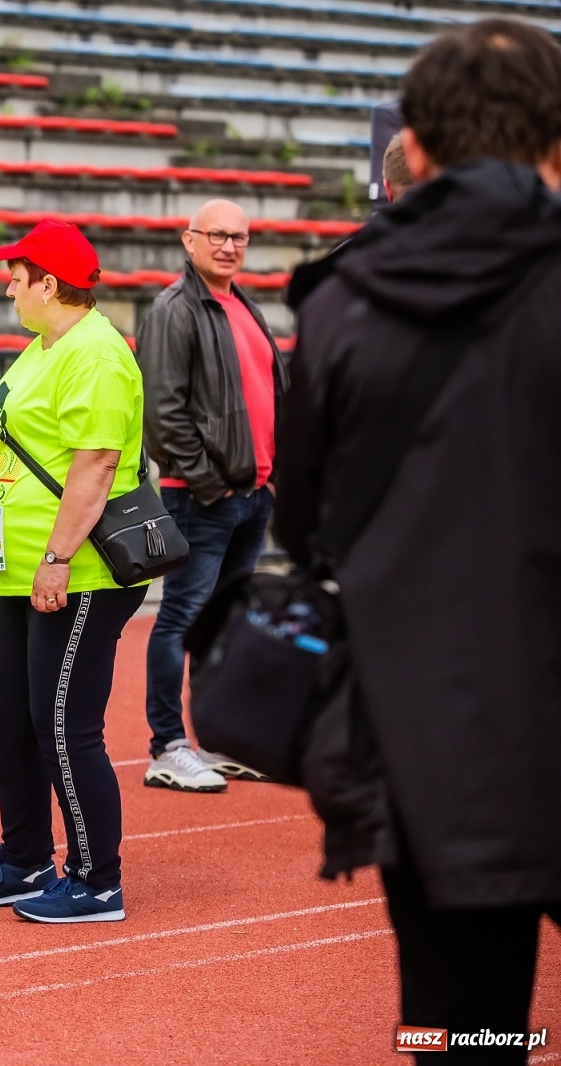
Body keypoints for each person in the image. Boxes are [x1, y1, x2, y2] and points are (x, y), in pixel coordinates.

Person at [278, 19, 561, 1060]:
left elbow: (300, 521)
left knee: (464, 1023)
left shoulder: (343, 299)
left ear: (419, 149)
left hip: (426, 733)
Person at [0, 221, 148, 923]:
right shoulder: (44, 347)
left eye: (18, 275)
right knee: (0, 712)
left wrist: (58, 558)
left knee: (64, 724)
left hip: (78, 569)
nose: (9, 285)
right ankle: (27, 857)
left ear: (50, 284)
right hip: (23, 566)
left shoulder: (93, 353)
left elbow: (93, 466)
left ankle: (97, 880)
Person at [134, 198, 284, 793]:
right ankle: (167, 745)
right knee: (181, 619)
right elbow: (163, 411)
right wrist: (210, 482)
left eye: (239, 237)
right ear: (188, 240)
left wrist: (266, 479)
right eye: (217, 235)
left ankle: (219, 739)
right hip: (204, 497)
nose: (229, 245)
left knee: (223, 625)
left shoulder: (241, 304)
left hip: (252, 493)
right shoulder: (175, 309)